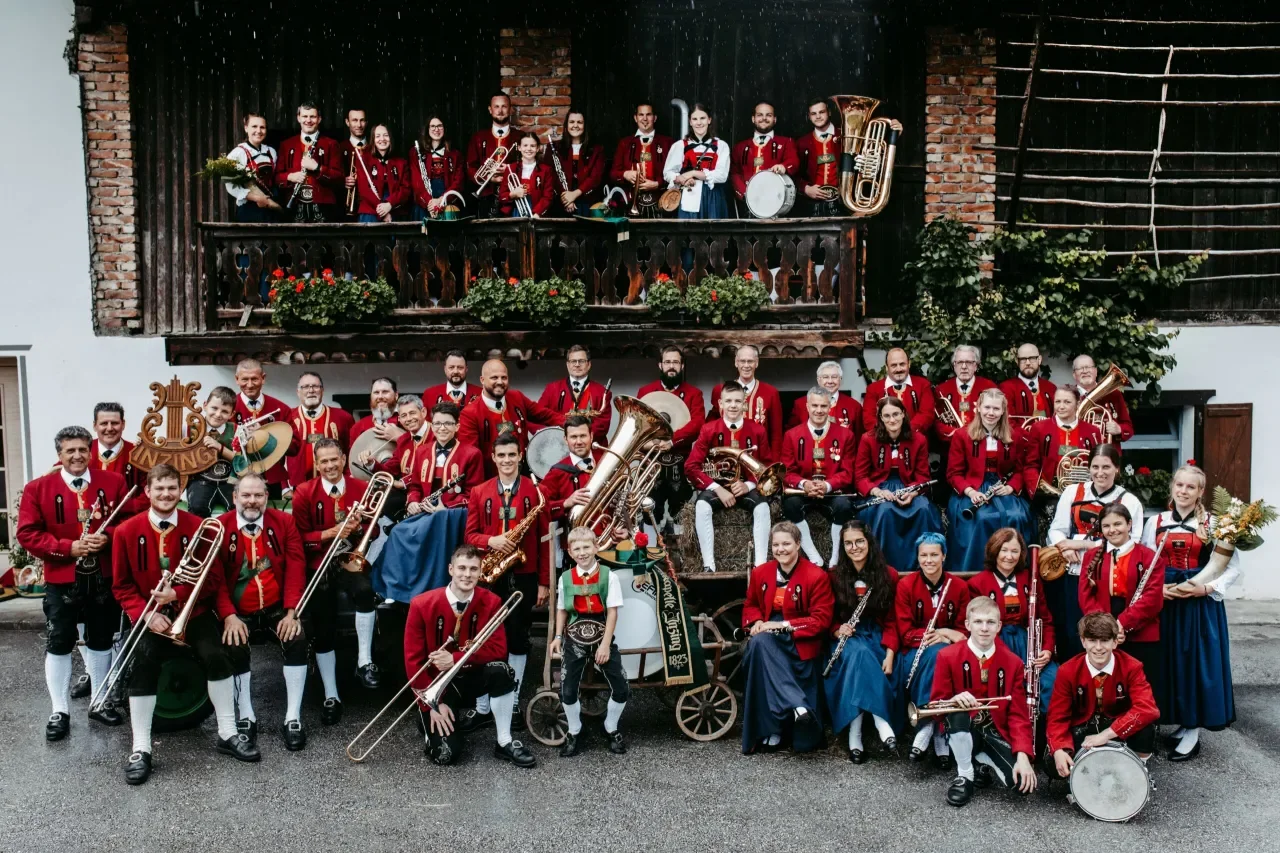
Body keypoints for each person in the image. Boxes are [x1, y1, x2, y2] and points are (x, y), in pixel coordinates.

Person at [111, 464, 258, 784]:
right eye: (159, 488)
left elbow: (213, 579)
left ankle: (227, 733)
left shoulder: (199, 526)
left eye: (172, 488)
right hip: (151, 615)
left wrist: (176, 594)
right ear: (147, 492)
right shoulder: (125, 531)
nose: (166, 494)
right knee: (144, 663)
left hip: (194, 612)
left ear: (181, 492)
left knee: (217, 656)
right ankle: (141, 748)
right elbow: (121, 586)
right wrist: (147, 614)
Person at [17, 426, 131, 740]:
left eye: (82, 449)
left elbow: (129, 521)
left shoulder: (114, 482)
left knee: (102, 639)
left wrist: (108, 537)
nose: (77, 456)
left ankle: (99, 700)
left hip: (103, 576)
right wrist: (68, 548)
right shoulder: (37, 488)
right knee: (59, 642)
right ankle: (60, 710)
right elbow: (27, 533)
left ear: (90, 451)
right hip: (62, 578)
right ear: (60, 454)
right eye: (70, 450)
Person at [403, 544, 536, 767]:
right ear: (451, 569)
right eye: (462, 568)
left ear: (480, 571)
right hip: (438, 689)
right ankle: (427, 720)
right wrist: (432, 705)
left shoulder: (491, 601)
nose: (467, 574)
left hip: (472, 680)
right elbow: (412, 661)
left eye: (473, 569)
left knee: (502, 670)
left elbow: (498, 650)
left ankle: (504, 741)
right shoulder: (421, 604)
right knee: (445, 755)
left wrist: (454, 659)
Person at [1144, 463, 1240, 761]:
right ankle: (1182, 721)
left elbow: (1233, 568)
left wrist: (1207, 589)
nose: (1183, 491)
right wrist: (1155, 589)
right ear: (1172, 487)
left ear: (1200, 492)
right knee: (1169, 661)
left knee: (1196, 662)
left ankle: (1193, 730)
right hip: (1166, 600)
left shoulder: (1214, 524)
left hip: (1199, 603)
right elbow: (1145, 561)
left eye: (1190, 487)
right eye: (1179, 485)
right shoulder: (1155, 522)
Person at [212, 473, 309, 751]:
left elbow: (296, 567)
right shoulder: (220, 527)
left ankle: (292, 718)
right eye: (246, 495)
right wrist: (228, 616)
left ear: (266, 497)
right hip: (239, 611)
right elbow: (215, 579)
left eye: (258, 495)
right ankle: (246, 716)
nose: (251, 501)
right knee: (234, 645)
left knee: (297, 639)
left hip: (277, 607)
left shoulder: (284, 522)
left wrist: (292, 612)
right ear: (235, 498)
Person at [463, 435, 552, 727]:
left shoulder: (537, 491)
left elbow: (544, 540)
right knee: (483, 638)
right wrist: (491, 540)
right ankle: (482, 706)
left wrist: (544, 582)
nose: (506, 460)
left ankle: (512, 703)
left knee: (518, 638)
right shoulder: (479, 491)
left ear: (520, 455)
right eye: (501, 455)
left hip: (524, 575)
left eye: (512, 454)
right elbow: (469, 536)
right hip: (489, 576)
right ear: (493, 457)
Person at [292, 439, 382, 724]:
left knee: (365, 591)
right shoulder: (304, 492)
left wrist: (361, 526)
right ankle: (332, 695)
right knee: (324, 625)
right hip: (319, 563)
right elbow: (299, 538)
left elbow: (375, 530)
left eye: (335, 459)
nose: (330, 465)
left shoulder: (361, 487)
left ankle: (364, 661)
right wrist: (331, 532)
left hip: (350, 559)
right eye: (324, 461)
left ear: (343, 459)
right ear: (317, 464)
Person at [931, 597, 1038, 807]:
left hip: (994, 731)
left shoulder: (1014, 663)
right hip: (963, 727)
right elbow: (936, 706)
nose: (984, 628)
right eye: (978, 622)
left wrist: (1023, 755)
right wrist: (953, 700)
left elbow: (1018, 715)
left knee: (1022, 785)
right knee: (958, 712)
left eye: (990, 622)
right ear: (968, 624)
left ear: (999, 626)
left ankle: (980, 759)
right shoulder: (947, 656)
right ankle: (965, 774)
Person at [740, 522, 834, 754]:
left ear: (798, 544)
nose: (780, 549)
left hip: (799, 640)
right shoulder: (761, 572)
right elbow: (751, 604)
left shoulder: (816, 576)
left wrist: (783, 625)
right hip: (768, 635)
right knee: (760, 643)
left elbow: (821, 620)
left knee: (760, 646)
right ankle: (795, 708)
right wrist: (756, 622)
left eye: (786, 544)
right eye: (776, 545)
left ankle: (788, 719)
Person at [1047, 443, 1143, 658]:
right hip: (1073, 569)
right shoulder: (1073, 492)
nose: (1100, 473)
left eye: (1106, 467)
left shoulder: (1130, 501)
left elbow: (1132, 541)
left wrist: (1082, 545)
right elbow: (1056, 529)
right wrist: (1064, 547)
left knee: (1102, 628)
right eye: (1095, 467)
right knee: (1072, 629)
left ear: (1117, 468)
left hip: (1109, 574)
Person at [1047, 612, 1159, 782]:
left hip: (1116, 726)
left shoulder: (1132, 667)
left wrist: (1107, 735)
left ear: (1115, 642)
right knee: (1052, 764)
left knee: (1146, 729)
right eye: (1092, 640)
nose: (1098, 647)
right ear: (1083, 642)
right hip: (1084, 728)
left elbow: (1148, 709)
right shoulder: (1067, 671)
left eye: (1105, 640)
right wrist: (1058, 749)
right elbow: (1057, 717)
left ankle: (1135, 768)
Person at [550, 527, 631, 756]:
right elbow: (561, 610)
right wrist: (558, 637)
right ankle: (575, 731)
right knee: (567, 691)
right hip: (574, 637)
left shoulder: (609, 576)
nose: (582, 552)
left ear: (596, 548)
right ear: (570, 552)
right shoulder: (566, 578)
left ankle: (610, 727)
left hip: (602, 635)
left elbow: (613, 612)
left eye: (586, 547)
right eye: (577, 549)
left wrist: (605, 645)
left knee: (621, 688)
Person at [824, 521, 900, 762]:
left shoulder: (889, 575)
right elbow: (827, 617)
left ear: (869, 542)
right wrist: (837, 630)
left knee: (864, 656)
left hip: (876, 635)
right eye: (848, 543)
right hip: (846, 638)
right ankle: (881, 722)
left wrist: (890, 654)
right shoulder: (834, 576)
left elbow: (892, 620)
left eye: (859, 541)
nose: (854, 547)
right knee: (858, 654)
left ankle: (855, 735)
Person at [894, 532, 970, 766]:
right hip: (914, 653)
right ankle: (937, 731)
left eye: (934, 555)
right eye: (923, 555)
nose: (928, 560)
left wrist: (945, 634)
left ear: (944, 556)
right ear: (917, 558)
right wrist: (940, 638)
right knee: (938, 657)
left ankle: (928, 725)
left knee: (942, 657)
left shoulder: (958, 586)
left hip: (950, 652)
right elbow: (906, 633)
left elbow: (964, 631)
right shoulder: (906, 585)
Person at [685, 381, 773, 573]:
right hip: (717, 487)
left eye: (738, 401)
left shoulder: (758, 430)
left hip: (746, 487)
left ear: (744, 403)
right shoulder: (709, 429)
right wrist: (717, 489)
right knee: (701, 506)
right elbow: (691, 466)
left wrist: (749, 485)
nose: (733, 405)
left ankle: (760, 566)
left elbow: (767, 466)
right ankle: (709, 566)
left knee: (763, 507)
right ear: (720, 404)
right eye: (729, 401)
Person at [944, 388, 1035, 574]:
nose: (991, 413)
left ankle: (1013, 571)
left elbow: (1020, 469)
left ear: (1003, 411)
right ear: (978, 408)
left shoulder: (1014, 435)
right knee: (981, 518)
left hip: (1002, 488)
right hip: (972, 490)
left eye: (996, 408)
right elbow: (954, 473)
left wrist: (1011, 487)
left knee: (1016, 517)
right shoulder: (962, 435)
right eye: (987, 407)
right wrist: (970, 492)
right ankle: (975, 572)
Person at [1078, 502, 1164, 692]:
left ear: (1129, 524)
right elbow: (1085, 596)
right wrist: (1106, 627)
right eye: (1106, 526)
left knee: (1142, 684)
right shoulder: (1091, 556)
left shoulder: (1148, 556)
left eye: (1118, 524)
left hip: (1140, 628)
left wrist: (1123, 623)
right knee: (1109, 685)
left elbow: (1152, 599)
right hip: (1103, 627)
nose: (1112, 530)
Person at [967, 528, 1057, 709]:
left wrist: (1047, 650)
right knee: (1010, 683)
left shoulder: (1030, 577)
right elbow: (977, 629)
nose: (1009, 556)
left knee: (1053, 679)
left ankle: (1045, 726)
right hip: (995, 644)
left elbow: (1045, 620)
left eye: (1015, 551)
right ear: (994, 551)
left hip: (1028, 642)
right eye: (1004, 550)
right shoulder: (977, 583)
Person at [853, 396, 943, 573]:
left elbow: (923, 476)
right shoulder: (868, 439)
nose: (892, 420)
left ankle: (921, 566)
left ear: (903, 414)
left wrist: (913, 493)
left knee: (923, 509)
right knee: (885, 511)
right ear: (880, 418)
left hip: (909, 487)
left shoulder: (919, 439)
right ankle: (883, 567)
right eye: (887, 416)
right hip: (879, 489)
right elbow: (860, 477)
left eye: (895, 414)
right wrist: (878, 492)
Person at [781, 387, 857, 567]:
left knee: (844, 507)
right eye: (814, 405)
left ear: (830, 406)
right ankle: (814, 555)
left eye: (823, 406)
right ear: (807, 406)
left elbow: (847, 472)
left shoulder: (846, 435)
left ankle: (835, 557)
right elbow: (787, 472)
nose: (819, 410)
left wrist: (828, 485)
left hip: (832, 492)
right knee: (790, 505)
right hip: (803, 492)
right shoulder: (791, 435)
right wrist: (804, 484)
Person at [457, 358, 564, 478]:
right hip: (492, 479)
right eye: (494, 378)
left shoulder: (517, 397)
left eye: (504, 378)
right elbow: (471, 458)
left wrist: (572, 425)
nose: (500, 382)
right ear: (482, 380)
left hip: (524, 474)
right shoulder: (469, 414)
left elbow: (545, 415)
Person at [636, 346, 705, 530]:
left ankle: (681, 547)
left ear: (682, 366)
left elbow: (697, 424)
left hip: (680, 461)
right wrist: (651, 442)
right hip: (651, 460)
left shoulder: (694, 394)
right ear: (660, 365)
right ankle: (650, 544)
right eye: (667, 362)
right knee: (649, 509)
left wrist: (672, 441)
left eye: (675, 362)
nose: (671, 366)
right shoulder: (645, 392)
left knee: (682, 511)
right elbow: (638, 423)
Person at [232, 358, 300, 499]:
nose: (249, 385)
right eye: (244, 379)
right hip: (237, 478)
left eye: (254, 379)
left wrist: (267, 435)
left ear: (263, 378)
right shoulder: (228, 407)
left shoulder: (280, 408)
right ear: (237, 379)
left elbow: (295, 446)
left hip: (272, 479)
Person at [405, 402, 484, 516]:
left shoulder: (472, 454)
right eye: (437, 423)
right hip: (424, 512)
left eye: (448, 423)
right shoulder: (421, 451)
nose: (442, 428)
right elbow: (415, 487)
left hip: (453, 513)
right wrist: (413, 502)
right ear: (432, 426)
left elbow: (472, 494)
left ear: (457, 426)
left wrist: (446, 508)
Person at [539, 416, 604, 555]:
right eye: (573, 437)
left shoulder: (605, 462)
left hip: (608, 541)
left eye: (583, 436)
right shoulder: (557, 472)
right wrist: (565, 503)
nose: (578, 442)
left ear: (591, 436)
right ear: (565, 439)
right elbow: (539, 508)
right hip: (575, 549)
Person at [1022, 386, 1103, 498]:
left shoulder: (1093, 431)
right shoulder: (1039, 428)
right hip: (1048, 494)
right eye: (1057, 402)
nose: (1061, 406)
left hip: (1084, 493)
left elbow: (1098, 465)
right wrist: (1038, 489)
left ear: (1078, 404)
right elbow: (1031, 465)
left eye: (1067, 402)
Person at [707, 345, 784, 459]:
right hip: (725, 457)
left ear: (756, 363)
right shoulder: (720, 390)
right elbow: (711, 425)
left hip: (758, 458)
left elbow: (776, 434)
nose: (746, 365)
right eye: (742, 361)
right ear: (736, 362)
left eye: (750, 361)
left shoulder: (771, 392)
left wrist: (773, 463)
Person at [274, 101, 342, 222]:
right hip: (294, 205)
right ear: (298, 118)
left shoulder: (331, 144)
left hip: (324, 205)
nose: (308, 120)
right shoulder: (286, 145)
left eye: (313, 116)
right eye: (305, 116)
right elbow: (277, 178)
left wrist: (318, 168)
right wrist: (290, 177)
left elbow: (339, 178)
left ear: (319, 119)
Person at [729, 101, 800, 217]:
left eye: (769, 115)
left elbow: (794, 162)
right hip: (747, 207)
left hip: (775, 205)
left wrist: (783, 166)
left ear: (775, 119)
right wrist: (745, 194)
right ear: (753, 119)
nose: (764, 118)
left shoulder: (786, 142)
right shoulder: (740, 147)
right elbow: (734, 174)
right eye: (760, 115)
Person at [287, 372, 354, 491]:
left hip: (337, 486)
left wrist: (348, 479)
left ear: (322, 390)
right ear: (298, 392)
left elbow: (351, 452)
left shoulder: (343, 417)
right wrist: (285, 488)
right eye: (305, 387)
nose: (311, 390)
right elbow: (278, 455)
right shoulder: (288, 417)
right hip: (298, 488)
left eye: (315, 386)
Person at [663, 103, 731, 219]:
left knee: (713, 229)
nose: (699, 122)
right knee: (690, 230)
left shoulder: (721, 145)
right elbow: (667, 173)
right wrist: (681, 179)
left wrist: (693, 173)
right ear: (690, 122)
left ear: (709, 120)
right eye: (695, 119)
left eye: (702, 118)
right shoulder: (680, 146)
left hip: (713, 198)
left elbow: (721, 176)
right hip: (689, 196)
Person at [608, 101, 673, 217]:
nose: (645, 119)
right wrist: (625, 174)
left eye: (648, 114)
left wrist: (658, 184)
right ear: (635, 118)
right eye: (641, 115)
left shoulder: (667, 143)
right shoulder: (624, 143)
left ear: (655, 118)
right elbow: (613, 174)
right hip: (629, 202)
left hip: (661, 202)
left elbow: (675, 174)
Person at [537, 344, 613, 444]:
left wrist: (579, 439)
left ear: (589, 364)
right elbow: (537, 417)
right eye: (573, 361)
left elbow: (602, 426)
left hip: (590, 449)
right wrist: (550, 438)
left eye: (581, 361)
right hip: (558, 446)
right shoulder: (551, 389)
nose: (577, 365)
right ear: (567, 365)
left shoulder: (602, 392)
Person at [186, 386, 240, 519]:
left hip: (229, 480)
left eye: (225, 411)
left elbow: (241, 462)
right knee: (197, 507)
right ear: (205, 405)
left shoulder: (237, 430)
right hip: (200, 479)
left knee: (237, 507)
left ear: (232, 414)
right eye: (214, 408)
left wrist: (220, 448)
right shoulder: (189, 429)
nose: (218, 414)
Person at [861, 347, 936, 436]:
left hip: (915, 439)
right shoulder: (873, 389)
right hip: (884, 441)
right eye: (894, 365)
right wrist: (889, 433)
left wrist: (906, 432)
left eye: (902, 364)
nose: (898, 369)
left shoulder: (923, 385)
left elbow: (927, 414)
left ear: (909, 364)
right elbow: (869, 419)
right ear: (886, 367)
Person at [544, 110, 606, 216]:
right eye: (572, 122)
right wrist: (566, 198)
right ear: (566, 125)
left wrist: (574, 195)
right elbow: (551, 176)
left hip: (586, 201)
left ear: (585, 126)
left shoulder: (597, 149)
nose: (575, 125)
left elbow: (595, 177)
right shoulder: (553, 147)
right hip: (560, 202)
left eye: (579, 122)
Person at [88, 402, 146, 514]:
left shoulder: (137, 453)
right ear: (95, 425)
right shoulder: (82, 451)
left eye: (114, 423)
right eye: (104, 423)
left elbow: (151, 491)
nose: (109, 428)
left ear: (123, 424)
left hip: (126, 520)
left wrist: (127, 507)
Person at [933, 345, 997, 444]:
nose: (964, 367)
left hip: (982, 443)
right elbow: (937, 422)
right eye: (959, 362)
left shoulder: (989, 387)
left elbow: (997, 416)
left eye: (969, 362)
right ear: (954, 365)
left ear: (976, 366)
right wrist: (957, 434)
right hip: (951, 445)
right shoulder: (942, 390)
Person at [466, 91, 515, 218]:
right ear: (490, 109)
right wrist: (488, 177)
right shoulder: (478, 137)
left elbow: (527, 165)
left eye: (504, 106)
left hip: (512, 195)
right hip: (485, 195)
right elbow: (471, 167)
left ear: (510, 109)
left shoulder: (519, 137)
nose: (500, 111)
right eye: (496, 106)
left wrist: (509, 169)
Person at [224, 112, 280, 222]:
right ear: (246, 128)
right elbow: (230, 185)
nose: (258, 131)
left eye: (262, 127)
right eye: (254, 126)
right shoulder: (237, 153)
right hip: (249, 210)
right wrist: (256, 198)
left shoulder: (271, 152)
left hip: (270, 207)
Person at [409, 115, 465, 220]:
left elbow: (458, 182)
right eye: (433, 126)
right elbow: (417, 182)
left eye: (440, 126)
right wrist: (430, 203)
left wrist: (441, 200)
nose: (436, 129)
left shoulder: (455, 154)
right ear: (427, 129)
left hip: (447, 202)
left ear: (444, 128)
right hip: (425, 204)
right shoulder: (416, 153)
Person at [794, 98, 843, 217]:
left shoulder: (844, 136)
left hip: (843, 203)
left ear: (829, 112)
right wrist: (806, 189)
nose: (818, 116)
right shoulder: (802, 142)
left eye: (821, 112)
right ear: (809, 116)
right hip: (813, 205)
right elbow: (794, 174)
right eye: (813, 113)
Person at [785, 360, 862, 435]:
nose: (830, 381)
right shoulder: (800, 404)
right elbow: (791, 435)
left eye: (834, 377)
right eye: (825, 377)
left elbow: (858, 438)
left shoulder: (854, 406)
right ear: (818, 380)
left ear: (840, 379)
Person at [1071, 355, 1133, 446]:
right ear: (1074, 374)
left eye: (1088, 367)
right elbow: (1058, 426)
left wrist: (1119, 429)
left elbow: (1129, 428)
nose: (1085, 371)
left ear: (1096, 371)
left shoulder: (1114, 395)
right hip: (1079, 451)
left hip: (1108, 452)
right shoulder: (1067, 395)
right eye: (1080, 368)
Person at [352, 124, 410, 222]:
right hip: (370, 211)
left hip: (394, 210)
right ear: (373, 140)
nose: (382, 139)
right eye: (378, 136)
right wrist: (383, 212)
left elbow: (405, 189)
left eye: (386, 135)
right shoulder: (364, 160)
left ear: (390, 138)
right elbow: (364, 190)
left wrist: (389, 204)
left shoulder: (401, 163)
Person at [999, 343, 1056, 434]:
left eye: (1032, 358)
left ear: (1039, 360)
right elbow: (1008, 423)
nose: (1028, 363)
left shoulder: (1051, 388)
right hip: (1021, 440)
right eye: (1023, 359)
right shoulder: (1007, 388)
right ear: (1017, 361)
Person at [499, 132, 555, 217]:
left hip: (536, 212)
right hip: (514, 212)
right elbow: (502, 196)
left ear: (538, 148)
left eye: (532, 146)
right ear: (519, 148)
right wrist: (512, 194)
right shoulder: (510, 168)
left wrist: (537, 213)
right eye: (525, 145)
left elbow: (548, 197)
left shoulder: (546, 170)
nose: (529, 149)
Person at [349, 376, 404, 447]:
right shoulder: (359, 427)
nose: (380, 396)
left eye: (385, 392)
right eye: (376, 392)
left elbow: (417, 447)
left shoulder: (407, 421)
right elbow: (353, 453)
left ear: (396, 395)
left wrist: (401, 437)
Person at [338, 107, 370, 219]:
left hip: (369, 207)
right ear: (347, 122)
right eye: (355, 120)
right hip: (345, 207)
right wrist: (343, 180)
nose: (359, 125)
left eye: (362, 120)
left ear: (366, 122)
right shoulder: (339, 147)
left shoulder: (374, 148)